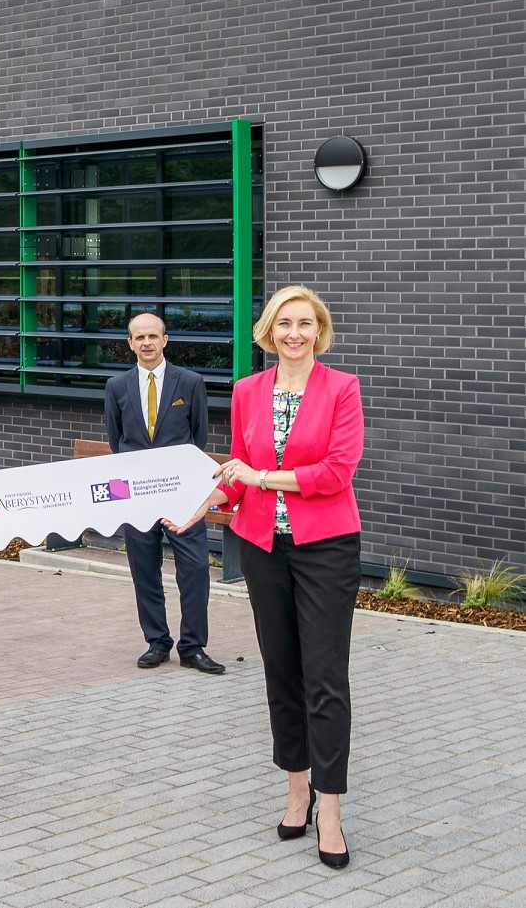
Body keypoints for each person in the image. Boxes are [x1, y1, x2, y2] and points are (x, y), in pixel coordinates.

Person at [172, 285, 362, 870]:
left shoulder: (341, 388)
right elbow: (236, 468)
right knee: (282, 672)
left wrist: (258, 478)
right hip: (262, 547)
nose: (295, 333)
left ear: (319, 331)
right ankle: (296, 791)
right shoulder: (249, 389)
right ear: (269, 331)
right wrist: (198, 505)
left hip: (326, 547)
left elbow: (335, 471)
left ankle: (330, 811)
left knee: (324, 678)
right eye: (285, 323)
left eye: (306, 323)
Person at [103, 312, 223, 675]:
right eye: (139, 338)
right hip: (137, 495)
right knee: (144, 569)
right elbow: (116, 440)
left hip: (182, 494)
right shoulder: (117, 386)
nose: (147, 343)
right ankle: (157, 641)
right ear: (130, 344)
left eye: (153, 336)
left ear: (165, 340)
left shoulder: (190, 382)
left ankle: (193, 646)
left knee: (196, 569)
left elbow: (197, 438)